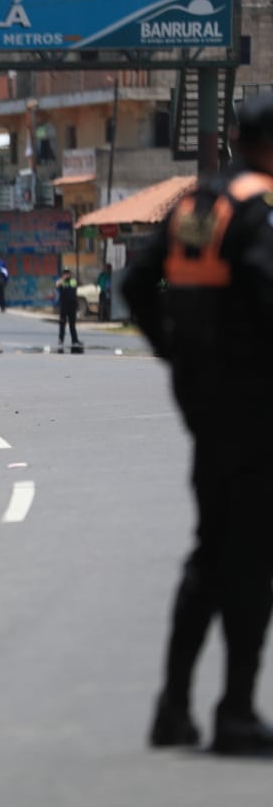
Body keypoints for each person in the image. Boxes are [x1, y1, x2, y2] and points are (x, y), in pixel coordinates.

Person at [124, 91, 273, 756]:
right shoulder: (260, 208)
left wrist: (173, 352)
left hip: (207, 404)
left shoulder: (199, 204)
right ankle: (234, 712)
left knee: (214, 549)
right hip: (256, 404)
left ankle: (173, 707)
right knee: (250, 558)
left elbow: (137, 284)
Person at [54, 266, 81, 348]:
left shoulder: (73, 281)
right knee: (62, 323)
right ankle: (61, 340)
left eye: (68, 273)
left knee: (72, 324)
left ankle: (75, 340)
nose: (67, 274)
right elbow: (57, 285)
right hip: (64, 305)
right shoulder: (60, 281)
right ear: (63, 274)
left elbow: (74, 287)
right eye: (65, 273)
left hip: (72, 305)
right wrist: (63, 279)